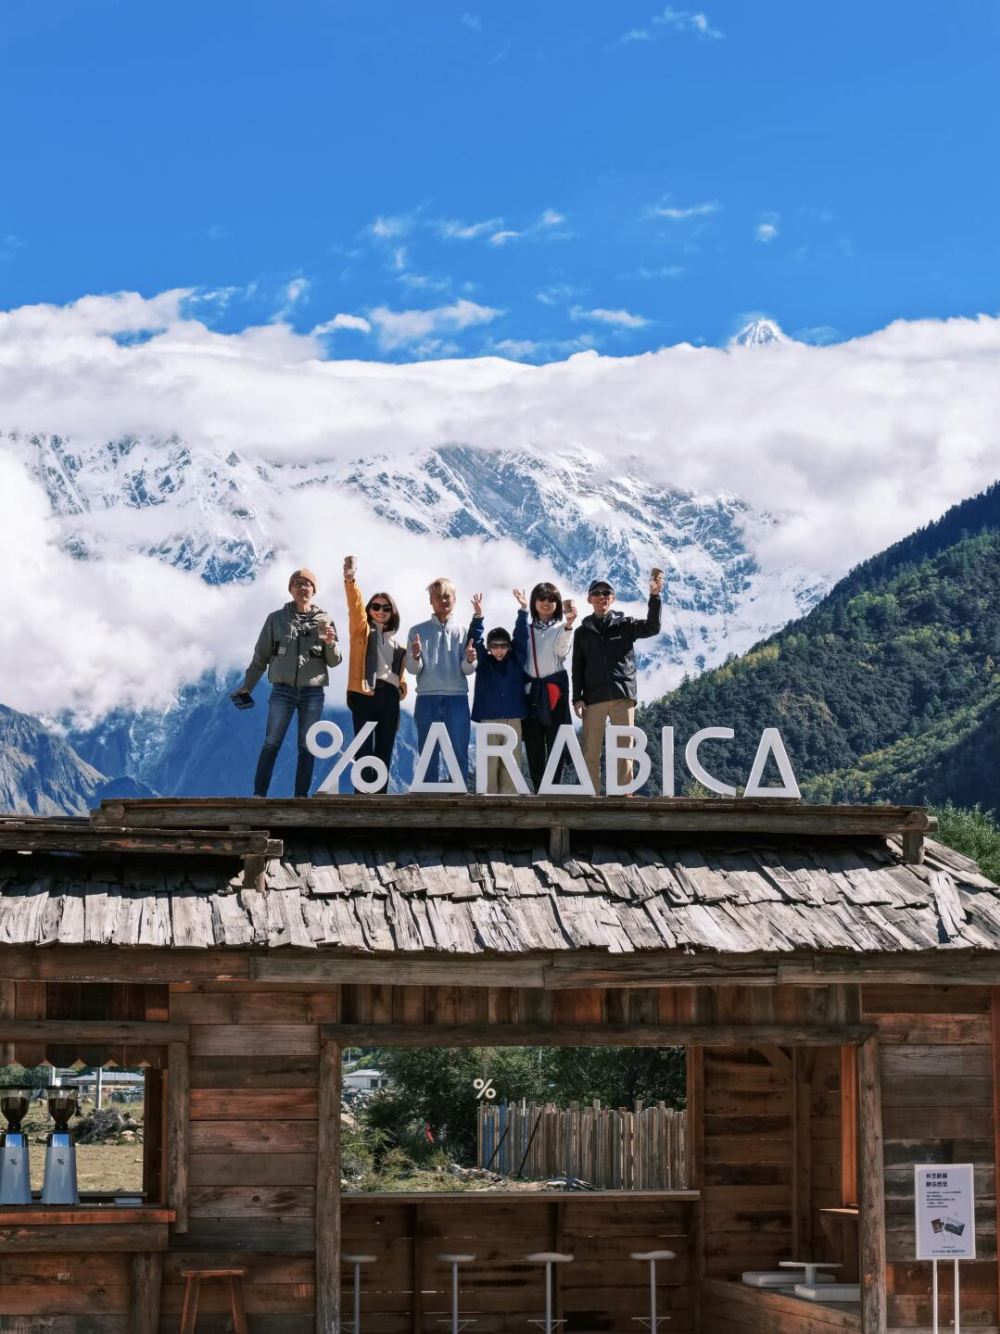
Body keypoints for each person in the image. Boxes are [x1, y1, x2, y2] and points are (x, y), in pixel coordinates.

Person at [233, 568, 342, 798]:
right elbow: (260, 656)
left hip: (313, 692)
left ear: (314, 590)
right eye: (298, 583)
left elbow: (334, 661)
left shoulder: (324, 621)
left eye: (307, 584)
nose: (303, 588)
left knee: (307, 746)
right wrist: (248, 686)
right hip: (282, 690)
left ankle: (301, 797)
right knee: (271, 742)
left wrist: (331, 643)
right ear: (290, 589)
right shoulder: (276, 619)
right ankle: (259, 795)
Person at [571, 572, 664, 794]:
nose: (601, 597)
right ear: (589, 599)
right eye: (596, 593)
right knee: (590, 751)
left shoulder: (625, 625)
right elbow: (577, 668)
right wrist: (577, 697)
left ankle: (623, 793)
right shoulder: (582, 632)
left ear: (612, 598)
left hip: (622, 695)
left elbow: (653, 628)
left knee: (625, 747)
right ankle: (591, 795)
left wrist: (654, 596)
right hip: (593, 698)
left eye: (606, 593)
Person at [344, 558, 407, 794]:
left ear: (392, 613)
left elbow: (398, 674)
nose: (381, 611)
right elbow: (355, 606)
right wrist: (351, 581)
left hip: (389, 697)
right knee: (363, 750)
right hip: (364, 694)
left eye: (386, 608)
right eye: (376, 607)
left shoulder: (396, 642)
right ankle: (361, 798)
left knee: (384, 748)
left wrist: (401, 687)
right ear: (370, 610)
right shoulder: (361, 630)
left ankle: (380, 799)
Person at [405, 578, 477, 784]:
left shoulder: (464, 632)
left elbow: (467, 669)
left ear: (455, 600)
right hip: (427, 698)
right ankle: (429, 798)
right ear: (430, 600)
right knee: (428, 754)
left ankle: (459, 796)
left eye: (447, 596)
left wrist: (471, 660)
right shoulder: (417, 631)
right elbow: (412, 669)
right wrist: (416, 655)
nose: (443, 600)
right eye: (438, 596)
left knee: (459, 752)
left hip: (457, 698)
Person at [513, 583, 576, 791]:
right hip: (531, 693)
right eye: (542, 598)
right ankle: (540, 789)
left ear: (557, 603)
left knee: (556, 740)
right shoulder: (527, 630)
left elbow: (562, 652)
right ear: (534, 602)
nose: (546, 603)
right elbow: (518, 647)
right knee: (533, 744)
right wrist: (521, 610)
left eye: (551, 599)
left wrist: (568, 626)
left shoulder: (561, 628)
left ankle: (553, 788)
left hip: (554, 693)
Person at [468, 597, 527, 794]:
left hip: (513, 720)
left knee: (511, 768)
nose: (499, 650)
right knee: (488, 766)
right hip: (489, 720)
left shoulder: (517, 660)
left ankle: (509, 812)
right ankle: (487, 811)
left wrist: (523, 611)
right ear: (489, 647)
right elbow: (474, 642)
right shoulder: (483, 662)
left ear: (509, 646)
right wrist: (478, 617)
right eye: (494, 646)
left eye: (503, 645)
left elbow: (521, 636)